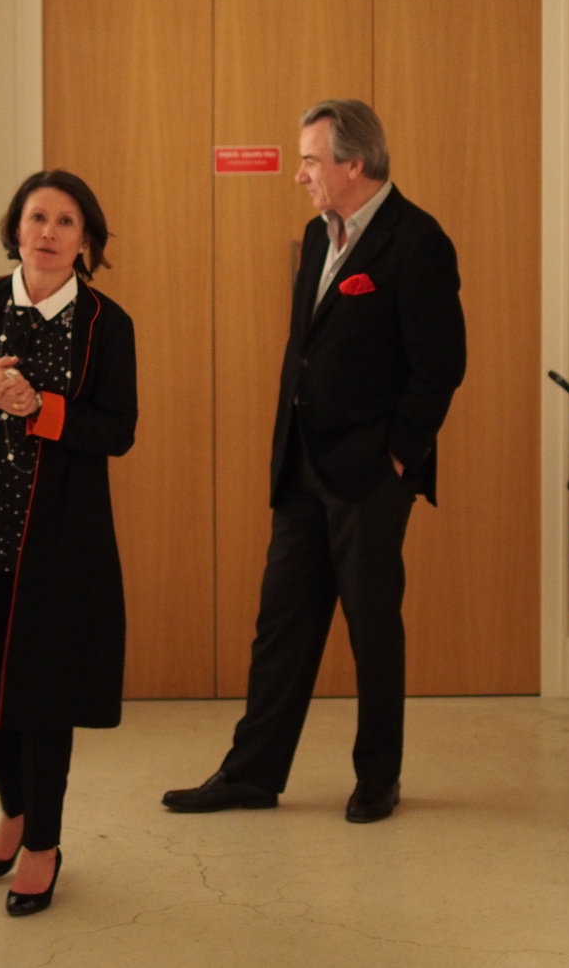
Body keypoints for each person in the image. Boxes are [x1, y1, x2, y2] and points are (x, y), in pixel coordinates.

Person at [164, 99, 466, 824]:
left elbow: (441, 364)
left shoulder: (417, 240)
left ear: (353, 164)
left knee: (371, 627)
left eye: (309, 160)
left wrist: (399, 455)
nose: (299, 174)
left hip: (369, 474)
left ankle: (377, 778)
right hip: (301, 464)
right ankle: (251, 774)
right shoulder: (315, 234)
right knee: (281, 625)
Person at [0, 170, 137, 916]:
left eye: (66, 221)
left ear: (85, 240)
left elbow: (118, 430)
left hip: (61, 540)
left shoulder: (107, 323)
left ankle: (42, 843)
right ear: (16, 228)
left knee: (43, 697)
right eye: (37, 217)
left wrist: (41, 408)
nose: (48, 232)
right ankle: (13, 809)